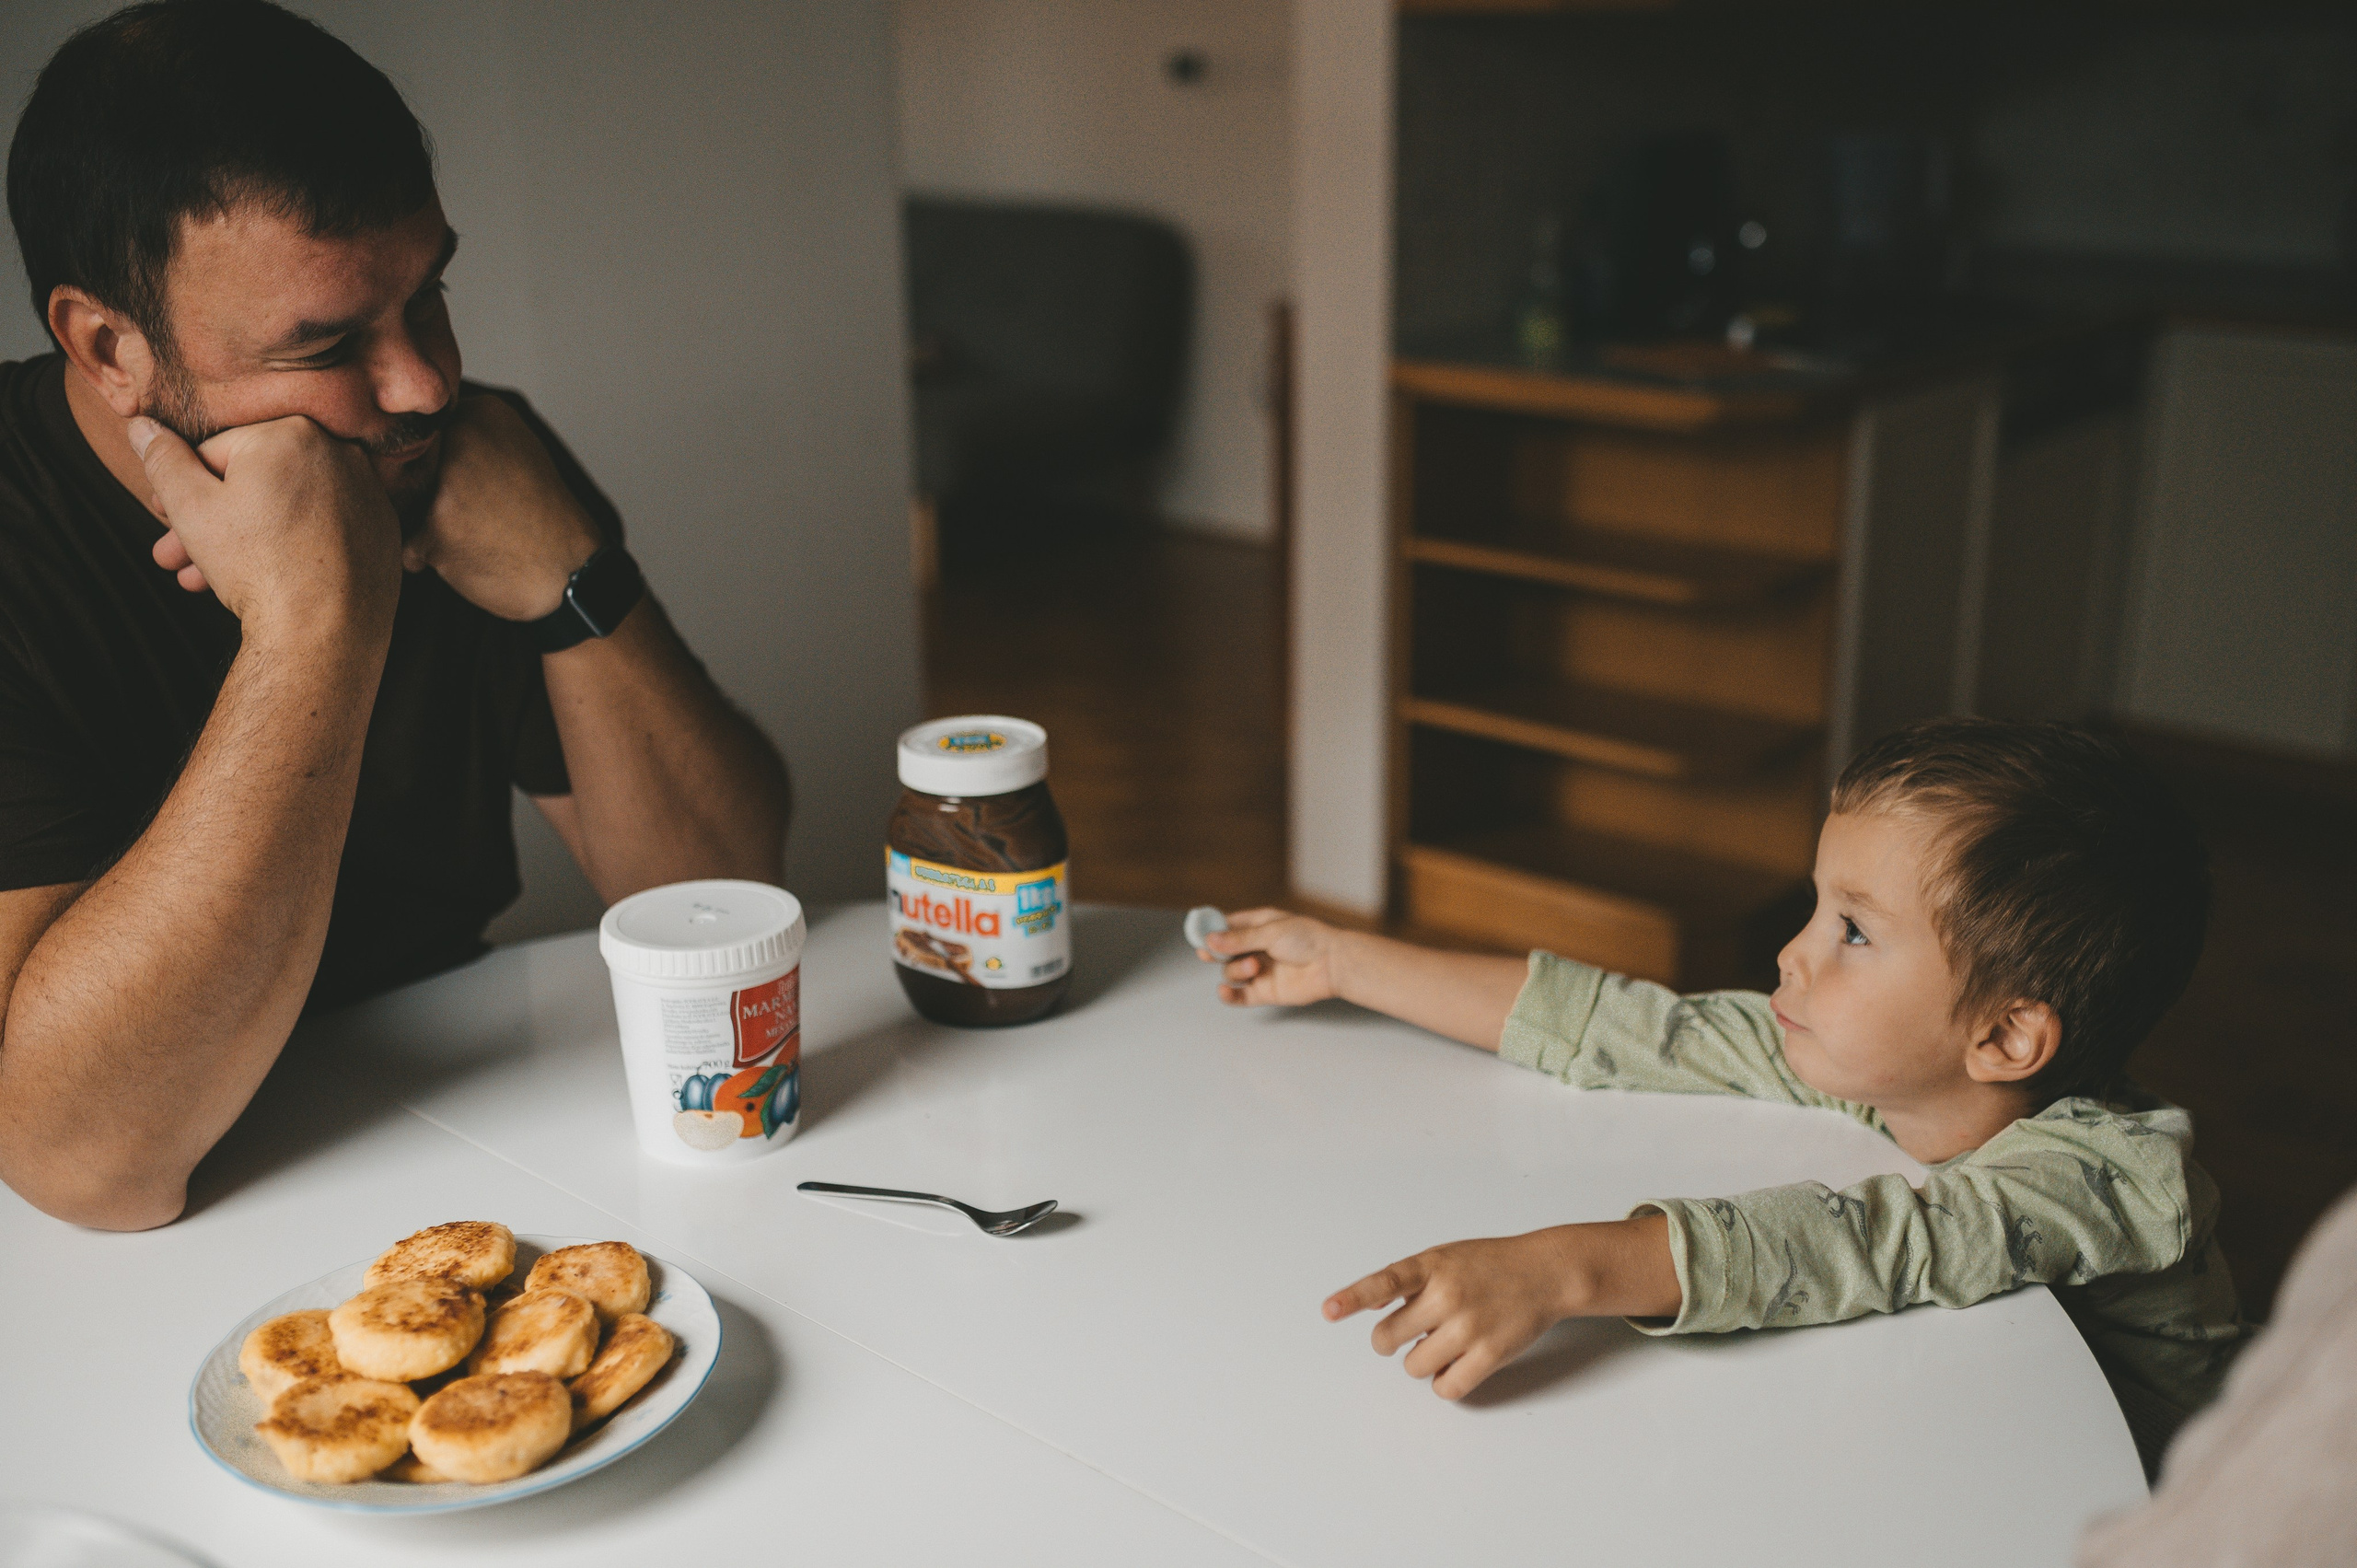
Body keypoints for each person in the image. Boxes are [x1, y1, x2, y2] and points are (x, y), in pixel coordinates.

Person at [0, 1, 790, 1231]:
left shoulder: (450, 454)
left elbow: (719, 912)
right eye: (326, 342)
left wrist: (576, 577)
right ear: (109, 343)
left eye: (430, 293)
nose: (424, 380)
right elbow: (90, 1165)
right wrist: (318, 627)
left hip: (459, 1154)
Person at [1200, 718, 2246, 1475]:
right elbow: (1630, 1028)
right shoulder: (1883, 1061)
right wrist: (1341, 957)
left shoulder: (2113, 1178)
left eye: (1853, 931)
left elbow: (1871, 1237)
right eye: (1817, 906)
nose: (1791, 952)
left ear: (2005, 1034)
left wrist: (1561, 1265)